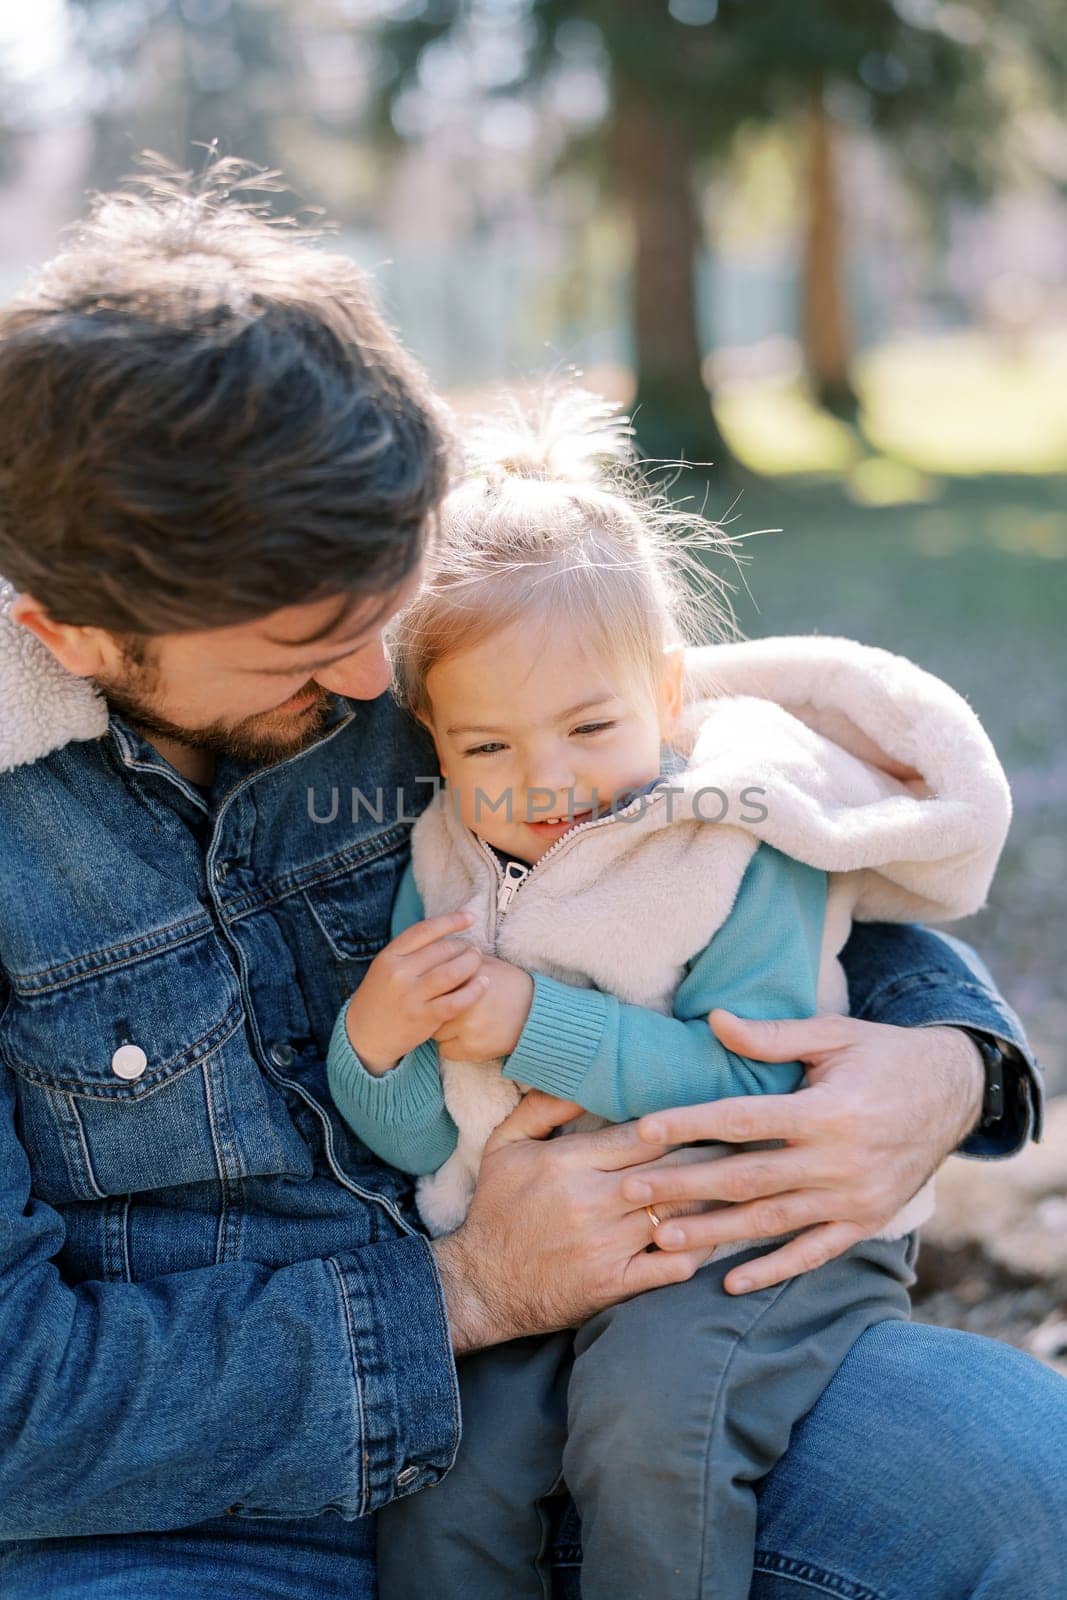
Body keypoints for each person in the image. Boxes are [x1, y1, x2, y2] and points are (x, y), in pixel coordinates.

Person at [0, 162, 1059, 1600]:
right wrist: (463, 1293)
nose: (377, 684)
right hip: (177, 1518)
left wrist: (941, 1062)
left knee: (1016, 1487)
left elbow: (729, 827)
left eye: (388, 614)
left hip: (626, 1364)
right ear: (65, 632)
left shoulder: (388, 626)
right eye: (306, 650)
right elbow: (21, 1410)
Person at [327, 389, 1012, 1600]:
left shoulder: (732, 842)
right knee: (446, 1479)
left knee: (648, 1436)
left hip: (746, 1235)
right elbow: (430, 1136)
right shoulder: (442, 862)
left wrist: (535, 1024)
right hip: (527, 1247)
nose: (544, 780)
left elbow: (758, 1079)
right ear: (427, 731)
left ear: (663, 685)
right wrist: (376, 1052)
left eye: (590, 724)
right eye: (486, 746)